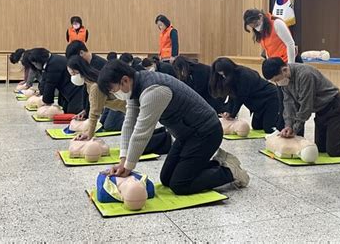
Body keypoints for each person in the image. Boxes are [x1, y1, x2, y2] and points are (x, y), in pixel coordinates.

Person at [97, 60, 249, 195]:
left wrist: (128, 167)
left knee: (180, 185)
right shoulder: (136, 86)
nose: (114, 94)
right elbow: (129, 123)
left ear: (124, 80)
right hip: (187, 134)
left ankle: (229, 171)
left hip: (206, 132)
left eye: (112, 90)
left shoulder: (153, 91)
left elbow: (141, 132)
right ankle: (216, 163)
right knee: (166, 179)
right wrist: (123, 160)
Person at [262, 57, 340, 157]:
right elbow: (288, 104)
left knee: (334, 150)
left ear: (284, 70)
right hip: (321, 111)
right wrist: (288, 126)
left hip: (336, 107)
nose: (277, 83)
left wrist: (295, 129)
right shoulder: (285, 81)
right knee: (321, 148)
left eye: (277, 80)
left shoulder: (305, 75)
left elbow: (306, 106)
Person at [67, 56, 172, 155]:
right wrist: (87, 131)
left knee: (134, 145)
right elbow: (93, 106)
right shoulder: (90, 83)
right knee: (134, 137)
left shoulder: (94, 86)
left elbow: (95, 113)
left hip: (131, 107)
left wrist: (89, 135)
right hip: (125, 107)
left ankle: (165, 139)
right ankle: (162, 133)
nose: (73, 77)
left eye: (73, 73)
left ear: (80, 70)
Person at [209, 57, 283, 134]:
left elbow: (240, 98)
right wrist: (228, 111)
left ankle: (281, 122)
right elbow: (232, 96)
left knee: (268, 128)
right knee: (257, 127)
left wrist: (232, 114)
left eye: (224, 74)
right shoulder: (231, 77)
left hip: (269, 98)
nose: (223, 77)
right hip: (257, 104)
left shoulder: (244, 75)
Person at [28, 48, 83, 114]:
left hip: (75, 90)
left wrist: (47, 102)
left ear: (38, 61)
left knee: (72, 112)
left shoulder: (54, 64)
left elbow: (50, 85)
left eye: (34, 64)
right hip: (67, 91)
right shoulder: (51, 61)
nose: (35, 66)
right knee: (64, 108)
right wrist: (41, 93)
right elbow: (44, 81)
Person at [65, 40, 107, 120]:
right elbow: (86, 89)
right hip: (101, 102)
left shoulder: (99, 65)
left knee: (108, 125)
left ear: (81, 53)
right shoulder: (84, 66)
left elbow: (95, 93)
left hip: (112, 100)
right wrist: (85, 110)